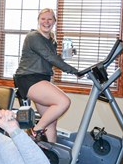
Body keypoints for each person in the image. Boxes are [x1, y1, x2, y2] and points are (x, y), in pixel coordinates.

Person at [13, 8, 78, 144]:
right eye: (43, 19)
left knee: (51, 124)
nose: (46, 22)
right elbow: (49, 57)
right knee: (63, 102)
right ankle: (35, 131)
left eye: (50, 19)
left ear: (54, 21)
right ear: (38, 21)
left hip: (41, 79)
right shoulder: (33, 37)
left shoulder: (51, 41)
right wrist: (74, 71)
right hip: (28, 78)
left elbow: (50, 59)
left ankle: (50, 158)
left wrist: (65, 56)